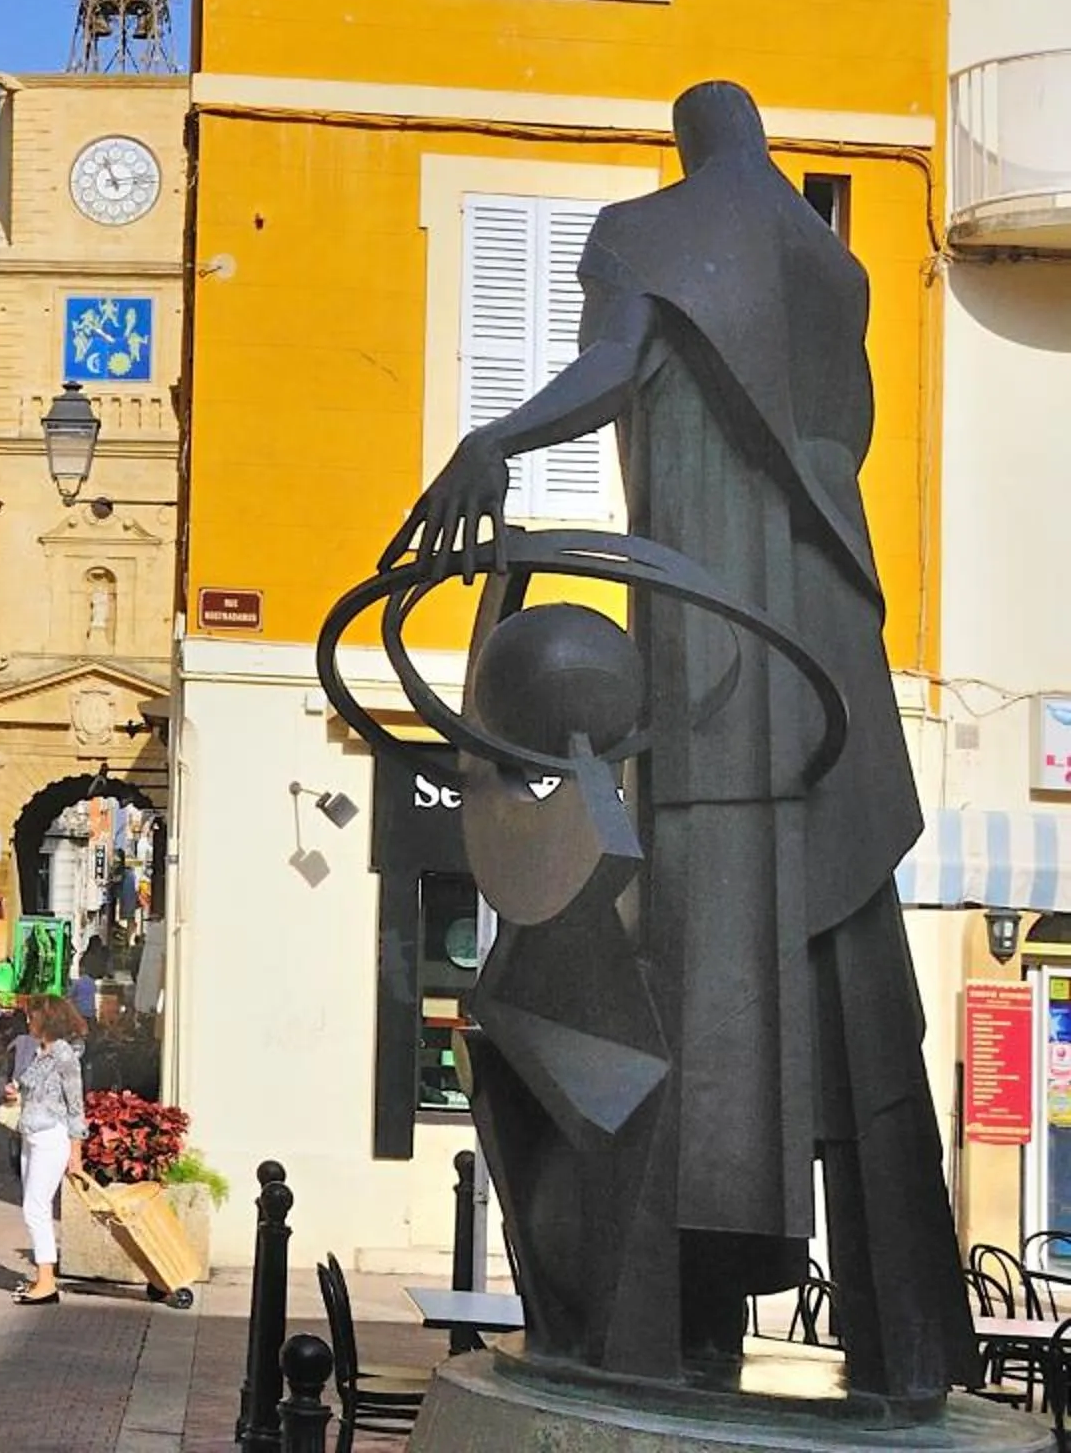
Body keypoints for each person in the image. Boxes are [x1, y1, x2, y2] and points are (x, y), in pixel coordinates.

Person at [383, 80, 969, 1394]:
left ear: (683, 138)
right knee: (850, 980)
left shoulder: (647, 228)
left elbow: (612, 369)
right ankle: (913, 1345)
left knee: (689, 941)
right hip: (823, 649)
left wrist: (498, 436)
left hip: (710, 660)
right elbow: (847, 443)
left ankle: (655, 1323)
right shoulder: (836, 265)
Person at [5, 994, 89, 1305]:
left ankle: (47, 1281)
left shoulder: (64, 1054)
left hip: (51, 1136)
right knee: (34, 1206)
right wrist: (16, 1093)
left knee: (35, 1208)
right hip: (31, 1133)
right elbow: (35, 1089)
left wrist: (76, 1152)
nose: (28, 1021)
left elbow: (75, 1104)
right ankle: (44, 1278)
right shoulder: (42, 1051)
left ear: (47, 1019)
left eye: (32, 1016)